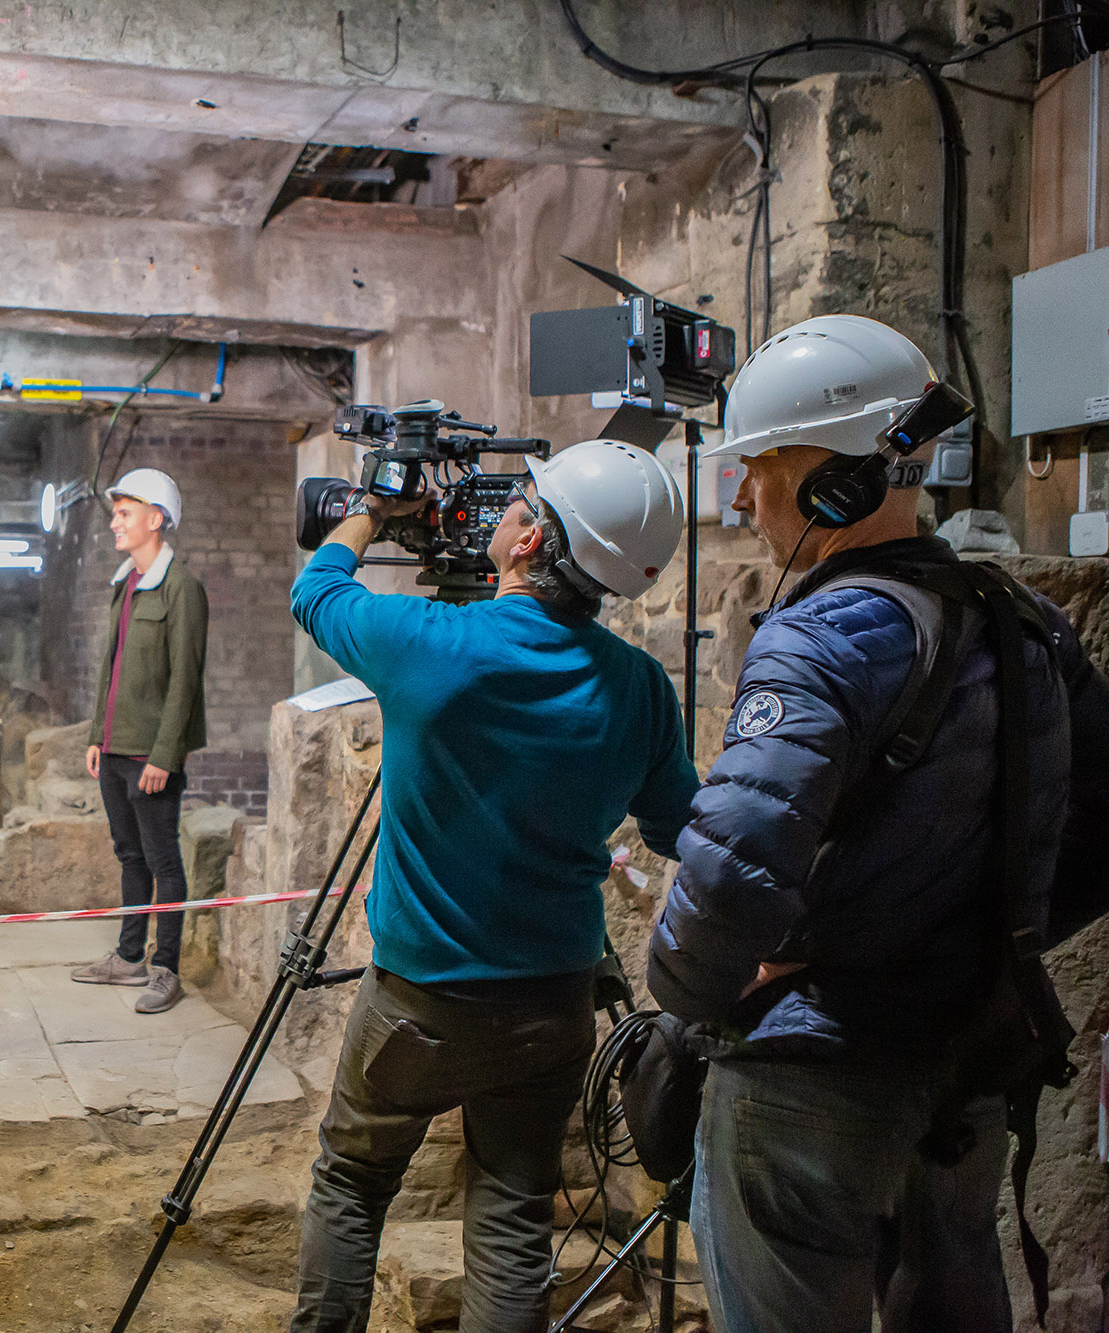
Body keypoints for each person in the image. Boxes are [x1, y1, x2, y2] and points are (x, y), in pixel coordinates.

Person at [647, 314, 1108, 1333]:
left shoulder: (815, 640)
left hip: (814, 1074)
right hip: (968, 1055)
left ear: (835, 486)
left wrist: (693, 996)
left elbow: (724, 874)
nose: (738, 493)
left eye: (757, 466)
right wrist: (1001, 940)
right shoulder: (1028, 625)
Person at [286, 440, 698, 1333]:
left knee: (353, 1182)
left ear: (524, 543)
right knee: (513, 1215)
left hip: (417, 1002)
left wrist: (373, 510)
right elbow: (679, 829)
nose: (504, 511)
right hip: (549, 1008)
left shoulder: (434, 645)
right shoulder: (640, 688)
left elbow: (315, 592)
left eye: (521, 503)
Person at [68, 468, 208, 1015]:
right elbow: (111, 667)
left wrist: (165, 756)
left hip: (151, 756)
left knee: (163, 860)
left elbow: (184, 681)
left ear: (156, 519)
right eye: (115, 513)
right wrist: (96, 736)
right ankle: (129, 958)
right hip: (115, 749)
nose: (114, 522)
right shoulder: (125, 584)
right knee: (130, 855)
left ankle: (165, 968)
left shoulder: (182, 588)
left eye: (124, 513)